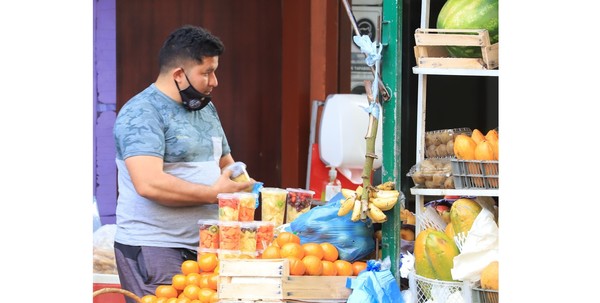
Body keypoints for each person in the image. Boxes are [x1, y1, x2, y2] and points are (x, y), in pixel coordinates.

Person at [112, 25, 255, 301]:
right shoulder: (142, 112)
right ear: (179, 74)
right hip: (156, 248)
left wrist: (242, 185)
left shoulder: (205, 107)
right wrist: (214, 194)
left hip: (207, 249)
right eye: (207, 73)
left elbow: (227, 164)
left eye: (215, 71)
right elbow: (149, 184)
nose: (215, 81)